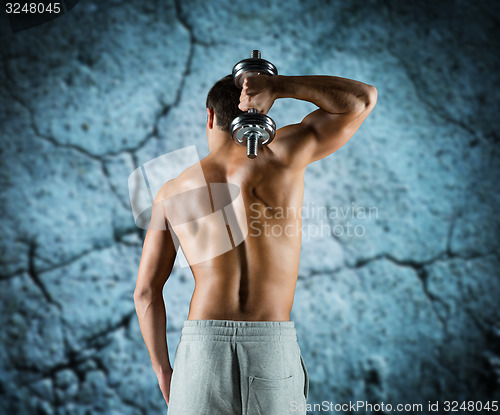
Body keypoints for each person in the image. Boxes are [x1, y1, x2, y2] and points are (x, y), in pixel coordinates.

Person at [133, 71, 377, 414]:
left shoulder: (171, 193)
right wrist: (280, 86)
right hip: (270, 342)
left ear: (210, 116)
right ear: (258, 112)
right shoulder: (283, 155)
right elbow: (362, 99)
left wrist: (163, 370)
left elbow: (145, 292)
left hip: (202, 350)